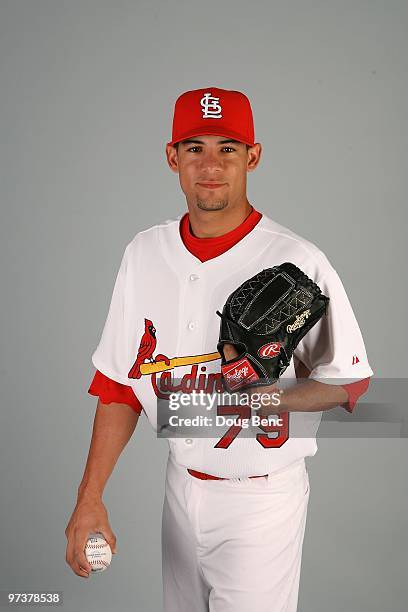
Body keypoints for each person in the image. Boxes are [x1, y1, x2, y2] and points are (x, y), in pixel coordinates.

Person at [65, 87, 373, 611]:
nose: (211, 164)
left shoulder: (297, 259)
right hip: (180, 488)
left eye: (228, 148)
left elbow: (351, 383)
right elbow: (119, 383)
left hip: (262, 499)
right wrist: (89, 497)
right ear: (172, 157)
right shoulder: (143, 253)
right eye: (195, 148)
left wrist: (261, 395)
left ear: (252, 156)